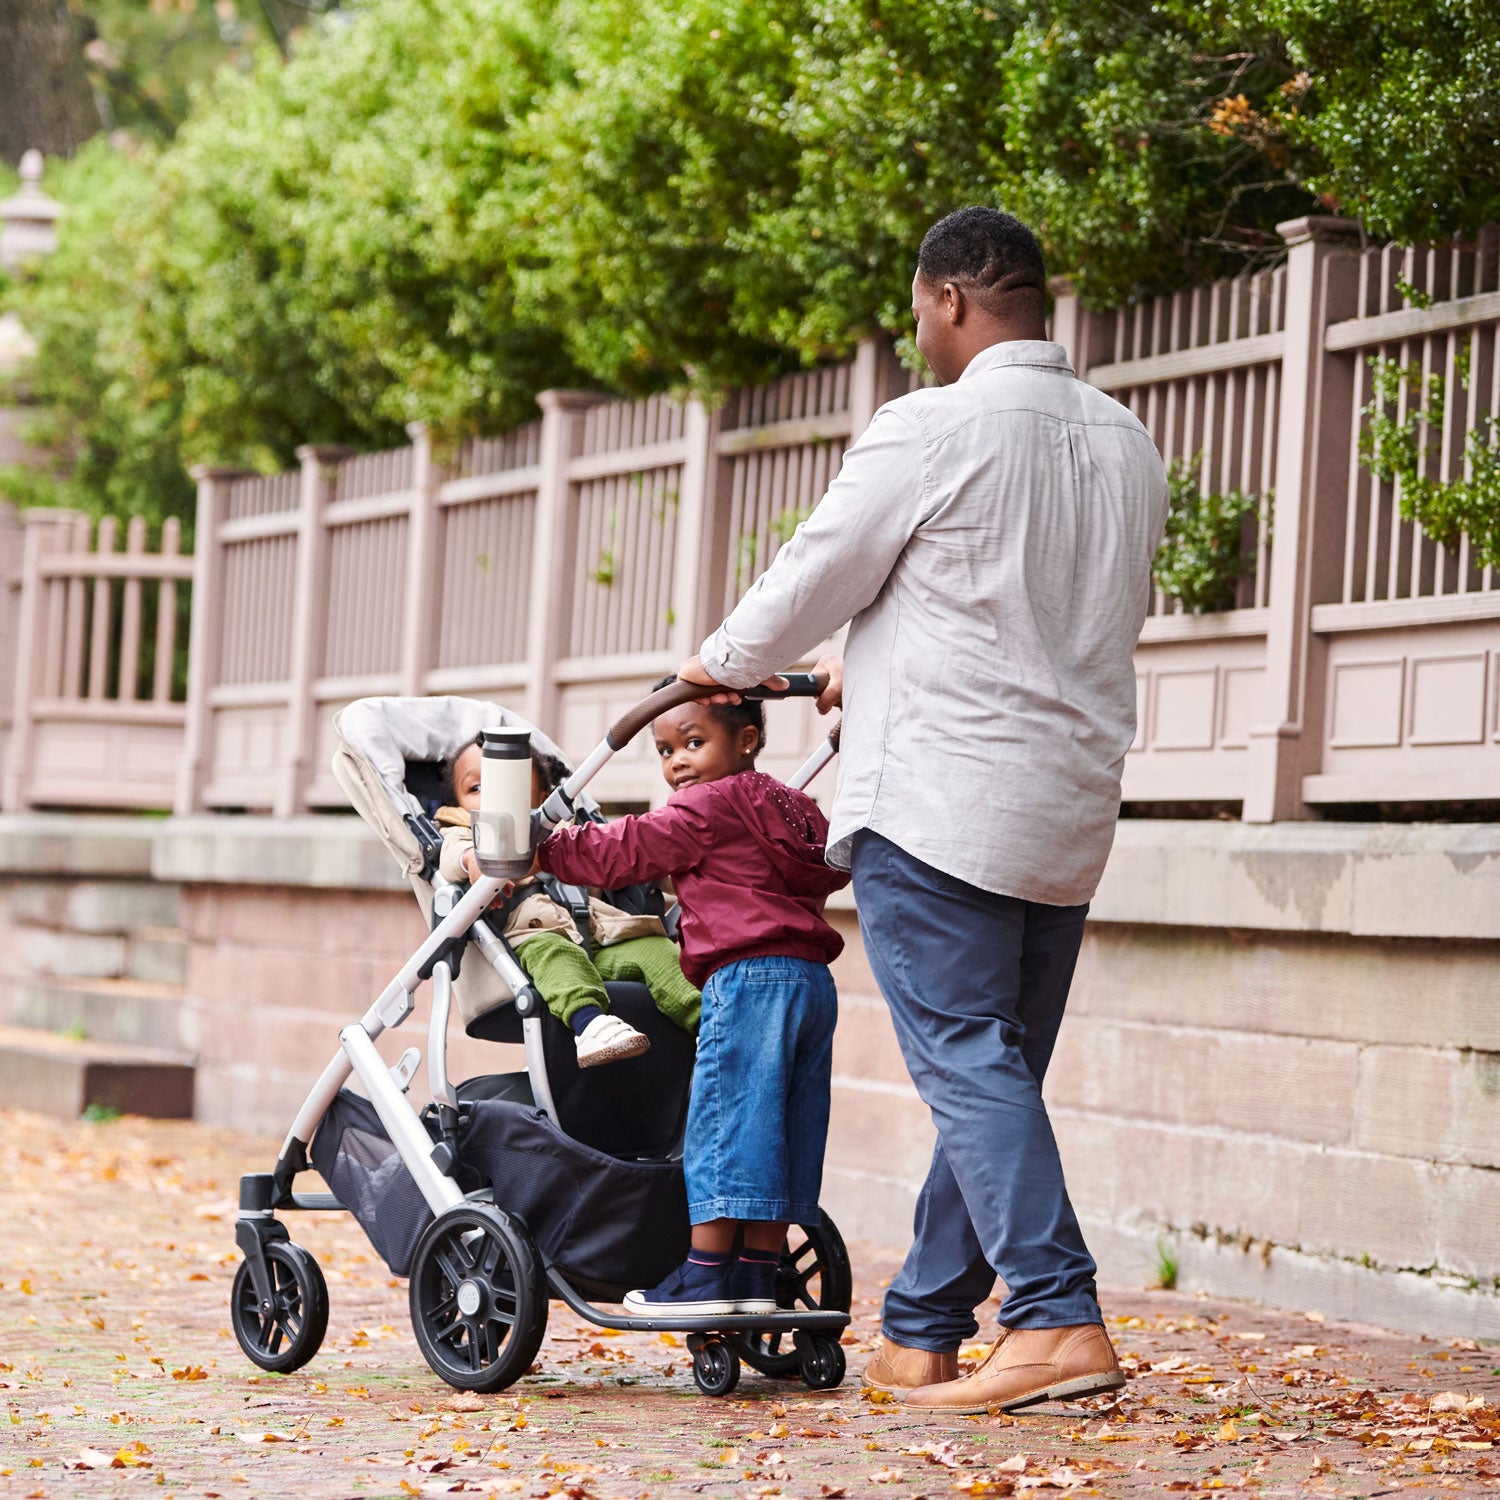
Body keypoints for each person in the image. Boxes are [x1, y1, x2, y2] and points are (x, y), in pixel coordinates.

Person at [675, 207, 1169, 1410]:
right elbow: (1036, 612)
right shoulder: (1125, 441)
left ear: (950, 299)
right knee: (990, 1071)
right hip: (1063, 817)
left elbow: (814, 574)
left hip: (943, 805)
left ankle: (1054, 1317)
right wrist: (880, 660)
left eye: (916, 310)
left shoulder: (931, 427)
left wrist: (713, 666)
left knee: (967, 1065)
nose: (915, 331)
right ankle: (923, 1331)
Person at [533, 683, 849, 1314]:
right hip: (810, 981)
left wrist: (545, 846)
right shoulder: (797, 809)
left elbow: (622, 852)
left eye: (694, 743)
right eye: (664, 749)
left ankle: (705, 1271)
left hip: (747, 979)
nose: (677, 761)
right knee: (785, 1126)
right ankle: (758, 1275)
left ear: (748, 741)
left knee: (727, 1124)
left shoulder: (705, 807)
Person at [437, 735, 700, 1067]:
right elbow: (451, 856)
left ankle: (709, 1025)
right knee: (556, 954)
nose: (493, 795)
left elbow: (609, 858)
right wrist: (475, 861)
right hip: (535, 938)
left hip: (600, 937)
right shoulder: (464, 830)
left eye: (510, 782)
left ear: (542, 797)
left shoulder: (567, 828)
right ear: (459, 804)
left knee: (657, 950)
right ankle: (590, 1023)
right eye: (475, 789)